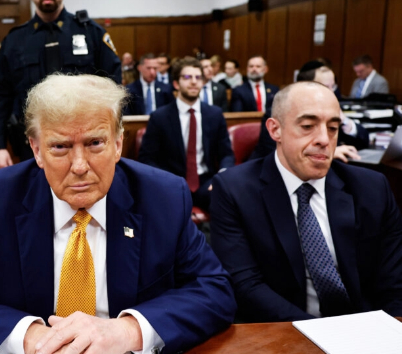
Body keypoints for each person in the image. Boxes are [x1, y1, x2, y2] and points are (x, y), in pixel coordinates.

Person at [0, 74, 235, 354]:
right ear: (37, 150)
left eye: (95, 143)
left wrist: (124, 331)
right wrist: (31, 337)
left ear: (119, 143)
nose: (80, 165)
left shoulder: (163, 197)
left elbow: (214, 289)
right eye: (60, 147)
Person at [210, 81, 402, 322]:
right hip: (283, 334)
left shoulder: (373, 188)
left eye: (333, 128)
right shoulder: (234, 190)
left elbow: (394, 282)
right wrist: (319, 336)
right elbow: (246, 285)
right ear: (275, 130)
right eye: (308, 126)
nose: (324, 139)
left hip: (365, 331)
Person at [0, 0, 121, 168]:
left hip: (85, 141)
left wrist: (115, 134)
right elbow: (0, 96)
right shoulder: (15, 40)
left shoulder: (91, 33)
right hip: (32, 144)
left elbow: (113, 89)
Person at [139, 57, 234, 212]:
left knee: (227, 201)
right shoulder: (160, 117)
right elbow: (147, 158)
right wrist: (164, 182)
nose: (194, 82)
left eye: (198, 77)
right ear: (176, 84)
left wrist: (222, 178)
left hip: (206, 182)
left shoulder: (214, 114)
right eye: (187, 77)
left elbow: (226, 154)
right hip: (172, 182)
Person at [250, 61, 368, 162]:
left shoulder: (331, 111)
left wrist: (344, 121)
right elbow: (275, 154)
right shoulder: (280, 112)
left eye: (333, 87)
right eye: (326, 87)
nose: (331, 93)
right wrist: (329, 152)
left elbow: (363, 142)